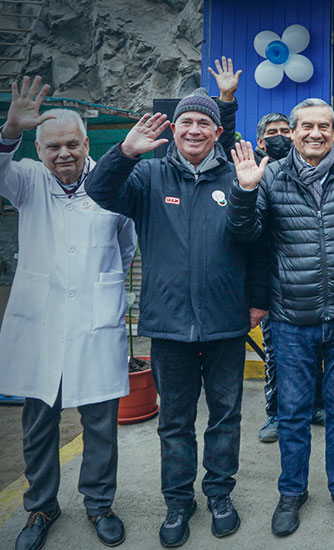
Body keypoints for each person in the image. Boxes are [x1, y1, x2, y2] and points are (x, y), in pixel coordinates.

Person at [86, 75, 269, 546]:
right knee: (175, 420)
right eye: (186, 120)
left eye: (203, 122)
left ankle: (220, 494)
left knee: (226, 415)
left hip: (227, 321)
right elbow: (99, 193)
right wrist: (125, 152)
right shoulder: (147, 177)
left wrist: (257, 299)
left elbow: (254, 242)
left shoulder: (236, 175)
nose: (194, 129)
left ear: (216, 132)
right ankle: (178, 503)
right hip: (168, 323)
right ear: (175, 128)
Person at [227, 98, 334, 538]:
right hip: (291, 317)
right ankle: (291, 492)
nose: (315, 134)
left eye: (324, 127)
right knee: (293, 412)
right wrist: (243, 191)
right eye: (306, 127)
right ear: (292, 132)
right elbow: (247, 235)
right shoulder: (270, 177)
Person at [0, 77, 135, 550]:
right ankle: (41, 506)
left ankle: (99, 504)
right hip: (41, 324)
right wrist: (8, 134)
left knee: (100, 423)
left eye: (72, 144)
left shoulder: (110, 183)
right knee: (39, 422)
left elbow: (126, 246)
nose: (63, 154)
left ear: (85, 144)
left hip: (93, 325)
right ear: (37, 150)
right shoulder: (26, 181)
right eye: (52, 146)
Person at [252, 112, 327, 444]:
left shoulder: (309, 171)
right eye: (273, 132)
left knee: (317, 349)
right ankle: (276, 412)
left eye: (286, 131)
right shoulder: (254, 173)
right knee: (276, 354)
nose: (280, 136)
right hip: (271, 283)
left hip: (309, 282)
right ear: (260, 140)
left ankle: (314, 406)